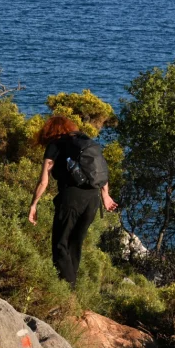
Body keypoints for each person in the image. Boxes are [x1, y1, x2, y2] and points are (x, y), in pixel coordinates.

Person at [28, 116, 117, 287]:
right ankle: (71, 290)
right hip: (93, 199)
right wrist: (105, 195)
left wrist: (34, 204)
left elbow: (43, 181)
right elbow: (99, 170)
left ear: (49, 131)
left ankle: (67, 290)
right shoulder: (83, 142)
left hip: (71, 198)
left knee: (60, 245)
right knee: (75, 244)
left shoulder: (55, 145)